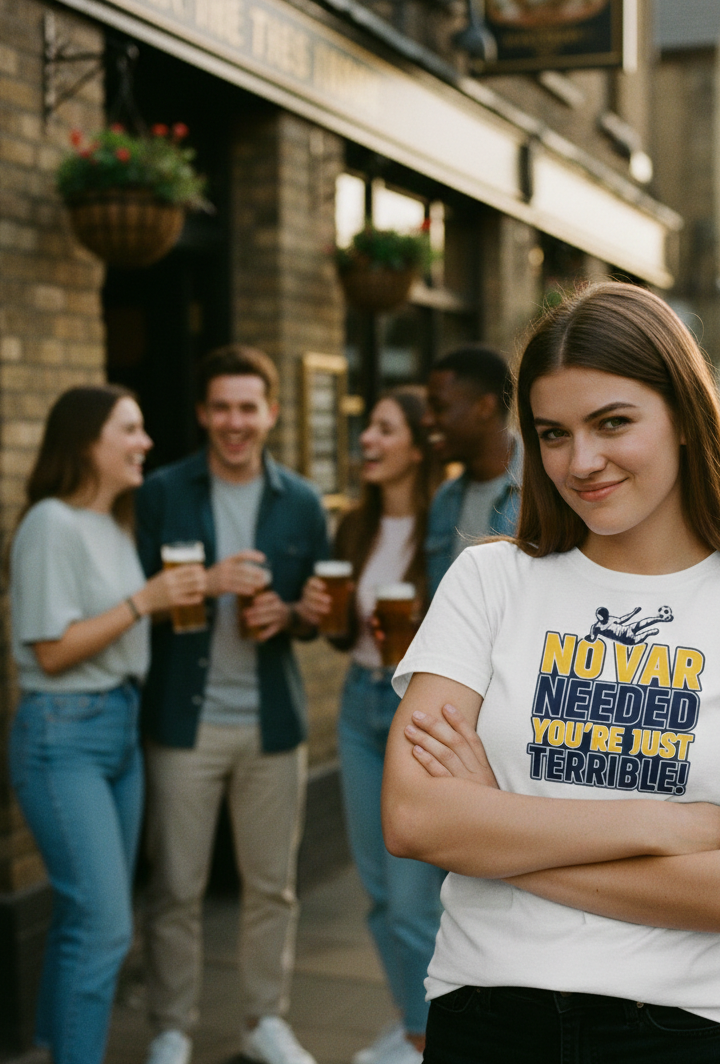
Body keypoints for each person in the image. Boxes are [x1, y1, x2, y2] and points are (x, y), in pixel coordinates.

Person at [381, 282, 720, 1064]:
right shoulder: (488, 583)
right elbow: (414, 819)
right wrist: (662, 826)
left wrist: (494, 829)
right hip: (487, 1014)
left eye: (612, 423)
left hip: (683, 1027)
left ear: (682, 419)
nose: (581, 461)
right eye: (553, 433)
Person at [136, 345, 329, 1064]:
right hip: (183, 725)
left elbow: (317, 614)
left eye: (248, 407)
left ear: (271, 413)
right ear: (201, 413)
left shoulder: (302, 502)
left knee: (271, 888)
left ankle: (262, 1022)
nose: (234, 421)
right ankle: (169, 1028)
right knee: (176, 887)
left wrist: (293, 616)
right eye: (221, 407)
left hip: (271, 724)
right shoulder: (163, 493)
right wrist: (205, 583)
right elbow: (137, 604)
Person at [8, 386, 206, 1064]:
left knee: (82, 922)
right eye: (131, 428)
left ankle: (53, 1050)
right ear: (87, 440)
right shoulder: (50, 523)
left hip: (119, 726)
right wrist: (143, 601)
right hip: (64, 733)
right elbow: (51, 649)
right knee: (105, 930)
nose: (145, 442)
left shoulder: (118, 522)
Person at [306, 388, 442, 1064]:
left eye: (383, 430)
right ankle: (410, 1021)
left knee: (415, 897)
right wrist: (319, 614)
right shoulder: (353, 527)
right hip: (359, 704)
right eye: (365, 429)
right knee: (377, 893)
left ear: (417, 446)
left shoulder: (440, 527)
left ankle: (429, 1037)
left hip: (414, 709)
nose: (366, 441)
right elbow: (337, 638)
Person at [423, 346, 520, 597]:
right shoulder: (446, 498)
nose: (427, 420)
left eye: (439, 407)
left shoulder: (544, 490)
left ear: (485, 407)